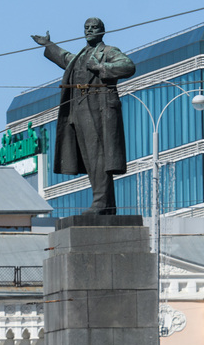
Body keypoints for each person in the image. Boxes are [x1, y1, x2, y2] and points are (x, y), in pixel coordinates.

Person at [31, 17, 136, 214]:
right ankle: (106, 204)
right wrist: (48, 44)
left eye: (94, 28)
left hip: (99, 108)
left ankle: (101, 202)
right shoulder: (81, 55)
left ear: (102, 31)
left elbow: (128, 66)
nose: (89, 31)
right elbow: (65, 58)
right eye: (86, 28)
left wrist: (100, 68)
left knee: (99, 156)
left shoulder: (108, 51)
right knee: (90, 157)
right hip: (78, 109)